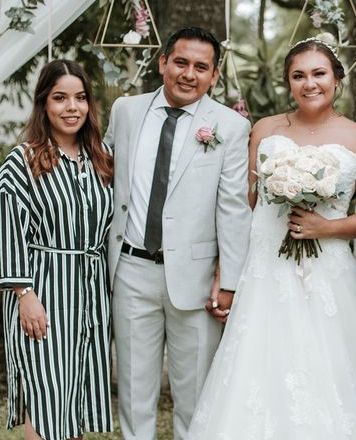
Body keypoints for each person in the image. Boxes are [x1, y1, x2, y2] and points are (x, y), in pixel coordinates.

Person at [186, 38, 356, 439]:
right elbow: (244, 208)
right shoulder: (265, 129)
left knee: (331, 368)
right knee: (259, 366)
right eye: (298, 76)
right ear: (288, 82)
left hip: (327, 271)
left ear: (337, 80)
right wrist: (227, 272)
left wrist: (324, 228)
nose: (309, 83)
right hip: (265, 269)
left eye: (319, 74)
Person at [104, 26, 251, 439]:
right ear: (162, 62)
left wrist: (231, 282)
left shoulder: (230, 127)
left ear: (214, 76)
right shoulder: (126, 111)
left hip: (197, 278)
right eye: (181, 62)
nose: (189, 74)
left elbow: (234, 209)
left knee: (196, 397)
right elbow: (105, 178)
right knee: (134, 390)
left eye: (201, 67)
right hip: (130, 269)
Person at [0, 59, 114, 440]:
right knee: (46, 398)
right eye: (60, 98)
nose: (71, 107)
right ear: (44, 103)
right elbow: (7, 230)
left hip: (91, 296)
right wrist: (25, 295)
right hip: (43, 293)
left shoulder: (101, 158)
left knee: (74, 400)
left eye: (79, 98)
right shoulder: (23, 161)